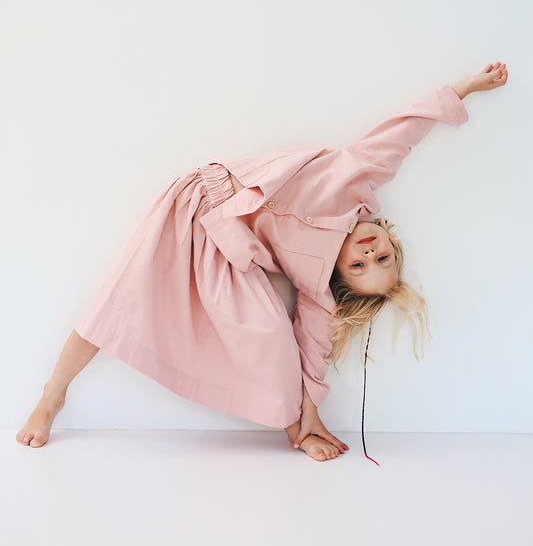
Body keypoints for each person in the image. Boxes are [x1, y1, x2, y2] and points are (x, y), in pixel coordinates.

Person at [16, 62, 508, 462]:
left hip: (229, 255)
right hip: (198, 205)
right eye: (380, 254)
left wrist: (311, 410)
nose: (367, 252)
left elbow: (312, 349)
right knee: (114, 303)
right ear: (388, 237)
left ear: (339, 275)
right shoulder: (358, 177)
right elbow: (402, 133)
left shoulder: (316, 285)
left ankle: (300, 430)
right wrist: (463, 89)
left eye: (362, 266)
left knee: (275, 343)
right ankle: (51, 396)